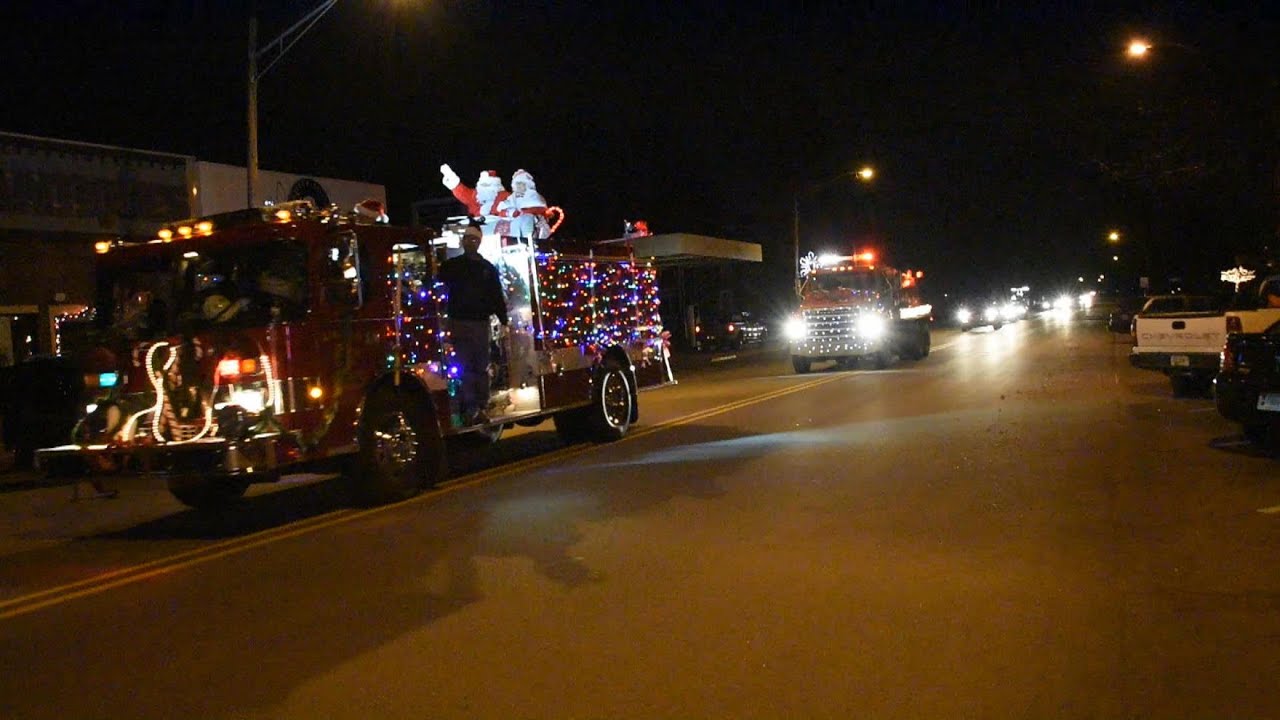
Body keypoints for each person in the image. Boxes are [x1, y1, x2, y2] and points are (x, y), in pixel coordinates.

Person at [437, 226, 509, 425]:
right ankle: (471, 408)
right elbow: (437, 279)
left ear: (479, 242)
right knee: (466, 367)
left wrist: (503, 321)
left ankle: (481, 407)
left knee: (480, 367)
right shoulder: (452, 266)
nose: (470, 242)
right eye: (467, 239)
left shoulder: (487, 268)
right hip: (459, 322)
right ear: (462, 241)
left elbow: (496, 296)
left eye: (474, 239)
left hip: (479, 323)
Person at [440, 165, 508, 231]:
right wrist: (452, 179)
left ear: (495, 186)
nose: (484, 189)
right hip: (477, 230)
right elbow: (463, 193)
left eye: (487, 185)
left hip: (498, 229)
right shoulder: (476, 196)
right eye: (482, 186)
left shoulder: (504, 197)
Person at [494, 169, 551, 240]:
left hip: (533, 226)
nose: (519, 186)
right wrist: (510, 212)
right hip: (513, 224)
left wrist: (524, 212)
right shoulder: (513, 197)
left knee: (525, 219)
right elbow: (502, 209)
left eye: (521, 183)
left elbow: (540, 209)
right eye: (517, 184)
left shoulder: (534, 196)